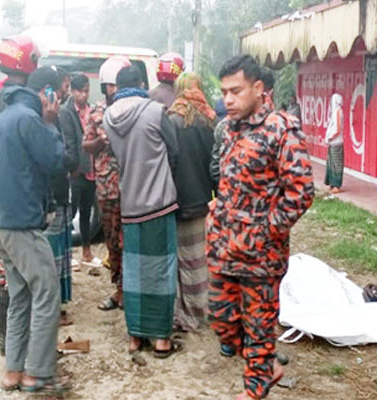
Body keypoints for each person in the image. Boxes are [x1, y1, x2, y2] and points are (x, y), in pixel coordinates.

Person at [206, 55, 314, 400]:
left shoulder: (281, 128)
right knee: (221, 318)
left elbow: (300, 192)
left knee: (258, 328)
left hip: (260, 257)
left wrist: (268, 230)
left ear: (258, 88)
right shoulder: (230, 130)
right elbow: (229, 183)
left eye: (235, 91)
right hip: (224, 248)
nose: (228, 99)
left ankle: (255, 387)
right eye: (224, 92)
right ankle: (265, 366)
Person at [0, 66, 69, 394]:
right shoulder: (31, 120)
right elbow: (56, 160)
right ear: (48, 93)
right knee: (46, 291)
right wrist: (52, 122)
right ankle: (36, 373)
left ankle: (13, 371)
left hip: (2, 222)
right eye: (57, 93)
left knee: (21, 296)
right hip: (22, 223)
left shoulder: (4, 117)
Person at [104, 65, 182, 358]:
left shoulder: (108, 117)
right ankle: (161, 339)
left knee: (134, 272)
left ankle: (135, 336)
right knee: (161, 271)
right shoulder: (155, 111)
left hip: (130, 205)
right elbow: (173, 149)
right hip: (159, 204)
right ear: (140, 83)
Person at [0, 35, 39, 354]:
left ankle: (2, 334)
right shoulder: (24, 107)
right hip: (16, 202)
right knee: (18, 276)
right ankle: (12, 339)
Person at [167, 72, 216, 332]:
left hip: (177, 201)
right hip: (202, 200)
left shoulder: (173, 119)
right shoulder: (210, 119)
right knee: (199, 263)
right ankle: (200, 314)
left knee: (180, 262)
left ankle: (183, 316)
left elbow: (170, 163)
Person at [84, 56, 132, 311]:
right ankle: (119, 288)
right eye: (109, 86)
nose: (113, 90)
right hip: (108, 187)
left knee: (131, 241)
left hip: (134, 189)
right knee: (112, 241)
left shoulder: (134, 109)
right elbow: (86, 144)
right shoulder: (98, 111)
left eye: (116, 85)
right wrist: (101, 143)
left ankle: (132, 289)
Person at [42, 67, 80, 327]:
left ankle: (57, 305)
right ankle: (53, 308)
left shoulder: (56, 114)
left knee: (59, 253)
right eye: (62, 87)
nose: (65, 92)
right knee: (53, 255)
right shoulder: (49, 118)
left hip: (57, 194)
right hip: (52, 195)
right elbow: (59, 155)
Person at [63, 74, 101, 268]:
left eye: (87, 91)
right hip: (76, 171)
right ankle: (68, 253)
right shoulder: (66, 111)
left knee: (88, 211)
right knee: (72, 212)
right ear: (73, 91)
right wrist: (74, 167)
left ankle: (87, 252)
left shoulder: (92, 110)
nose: (84, 95)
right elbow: (69, 141)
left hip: (92, 169)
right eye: (81, 91)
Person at [324, 93, 344, 194]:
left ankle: (337, 185)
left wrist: (330, 137)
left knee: (336, 164)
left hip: (336, 142)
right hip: (332, 142)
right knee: (330, 163)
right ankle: (331, 183)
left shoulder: (338, 112)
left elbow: (338, 128)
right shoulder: (335, 112)